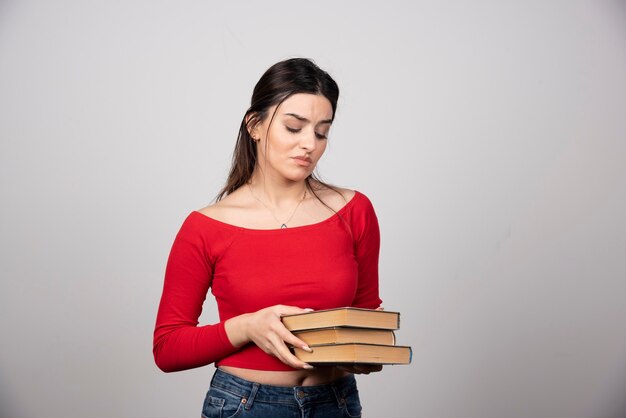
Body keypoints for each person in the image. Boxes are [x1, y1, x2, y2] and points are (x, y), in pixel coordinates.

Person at [153, 57, 383, 418]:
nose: (310, 144)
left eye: (322, 132)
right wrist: (247, 327)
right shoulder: (206, 226)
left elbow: (367, 317)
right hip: (246, 405)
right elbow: (167, 348)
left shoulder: (354, 210)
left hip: (334, 403)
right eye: (294, 127)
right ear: (255, 125)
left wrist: (367, 352)